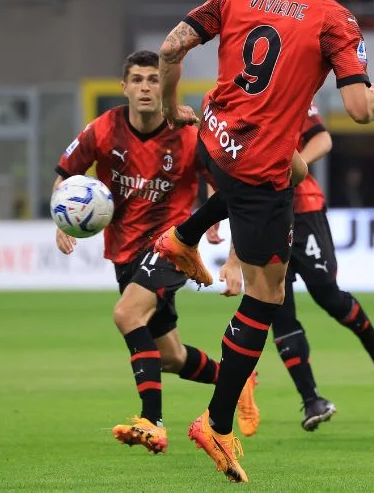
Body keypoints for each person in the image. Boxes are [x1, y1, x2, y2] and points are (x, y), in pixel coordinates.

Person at [152, 0, 374, 482]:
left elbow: (168, 48)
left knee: (285, 168)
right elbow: (357, 111)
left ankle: (182, 236)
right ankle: (216, 421)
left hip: (211, 140)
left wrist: (168, 110)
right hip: (259, 174)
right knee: (266, 295)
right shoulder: (336, 20)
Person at [53, 50, 260, 454]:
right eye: (139, 80)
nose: (147, 87)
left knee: (126, 314)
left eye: (154, 79)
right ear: (124, 86)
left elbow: (219, 177)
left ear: (164, 85)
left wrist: (215, 219)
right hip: (125, 253)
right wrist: (60, 220)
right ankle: (236, 380)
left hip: (171, 246)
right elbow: (65, 174)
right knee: (170, 356)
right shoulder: (103, 130)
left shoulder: (185, 132)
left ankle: (153, 421)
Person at [220, 102, 374, 432]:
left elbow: (322, 140)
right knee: (277, 306)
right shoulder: (225, 104)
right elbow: (221, 169)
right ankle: (311, 398)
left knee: (327, 294)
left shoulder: (288, 90)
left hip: (304, 209)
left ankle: (373, 344)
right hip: (264, 214)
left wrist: (294, 165)